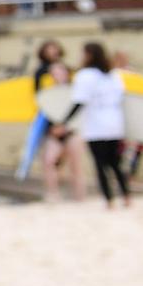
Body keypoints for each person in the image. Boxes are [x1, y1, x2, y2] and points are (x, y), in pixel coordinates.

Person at [60, 41, 132, 209]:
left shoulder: (85, 75)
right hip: (115, 122)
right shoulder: (113, 74)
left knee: (101, 164)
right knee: (116, 163)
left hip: (97, 125)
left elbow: (79, 102)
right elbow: (122, 97)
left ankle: (109, 200)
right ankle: (127, 196)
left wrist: (64, 122)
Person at [32, 38, 84, 202]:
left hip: (71, 130)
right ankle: (53, 195)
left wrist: (66, 127)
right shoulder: (46, 91)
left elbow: (80, 110)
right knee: (49, 161)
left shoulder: (74, 90)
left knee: (75, 165)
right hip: (53, 130)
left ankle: (79, 196)